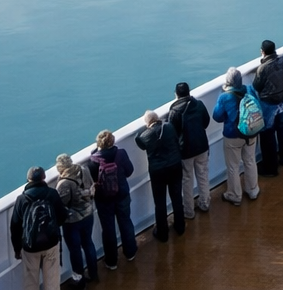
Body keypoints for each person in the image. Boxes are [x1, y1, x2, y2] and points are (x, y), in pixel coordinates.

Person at [86, 130, 137, 268]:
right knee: (125, 222)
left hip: (104, 200)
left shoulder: (92, 162)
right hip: (122, 195)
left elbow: (93, 182)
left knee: (108, 229)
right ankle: (130, 253)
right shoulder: (121, 154)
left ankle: (111, 262)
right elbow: (129, 171)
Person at [10, 166, 66, 290]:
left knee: (31, 281)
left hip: (30, 246)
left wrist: (17, 249)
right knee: (52, 281)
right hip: (51, 243)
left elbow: (15, 226)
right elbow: (62, 216)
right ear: (44, 177)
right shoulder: (52, 194)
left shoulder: (22, 199)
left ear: (28, 179)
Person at [211, 70, 262, 204]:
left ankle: (235, 195)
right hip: (250, 132)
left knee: (233, 166)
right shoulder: (249, 90)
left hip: (232, 136)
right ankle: (253, 190)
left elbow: (217, 116)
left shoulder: (224, 97)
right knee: (250, 161)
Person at [134, 111, 185, 241]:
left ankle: (162, 233)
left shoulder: (146, 135)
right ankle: (180, 226)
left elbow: (139, 142)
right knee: (177, 197)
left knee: (160, 202)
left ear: (147, 123)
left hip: (158, 172)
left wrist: (141, 131)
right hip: (175, 166)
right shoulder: (169, 127)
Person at [50, 154, 96, 286]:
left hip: (73, 221)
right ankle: (94, 273)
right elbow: (91, 186)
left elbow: (60, 203)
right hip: (88, 214)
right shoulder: (84, 169)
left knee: (75, 249)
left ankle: (79, 279)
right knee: (88, 243)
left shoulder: (64, 183)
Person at [167, 83, 211, 214]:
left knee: (187, 179)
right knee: (202, 175)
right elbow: (206, 121)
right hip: (202, 146)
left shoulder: (175, 111)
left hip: (185, 150)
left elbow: (172, 133)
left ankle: (189, 210)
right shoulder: (199, 105)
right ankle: (205, 203)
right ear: (189, 92)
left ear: (176, 94)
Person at [251, 41, 283, 177]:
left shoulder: (262, 68)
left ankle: (271, 168)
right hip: (282, 101)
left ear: (263, 52)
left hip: (268, 104)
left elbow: (256, 86)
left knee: (267, 135)